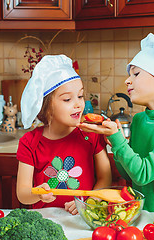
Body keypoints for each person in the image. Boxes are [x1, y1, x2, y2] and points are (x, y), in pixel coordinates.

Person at [78, 33, 154, 212]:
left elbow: (143, 174)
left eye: (136, 73)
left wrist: (118, 141)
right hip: (139, 216)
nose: (127, 80)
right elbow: (127, 174)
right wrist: (116, 143)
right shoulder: (139, 120)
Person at [16, 54, 112, 215]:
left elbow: (105, 177)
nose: (78, 104)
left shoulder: (91, 134)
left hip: (83, 218)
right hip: (46, 220)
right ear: (46, 106)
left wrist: (90, 200)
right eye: (67, 99)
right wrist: (37, 193)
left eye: (80, 96)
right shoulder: (29, 142)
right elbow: (22, 193)